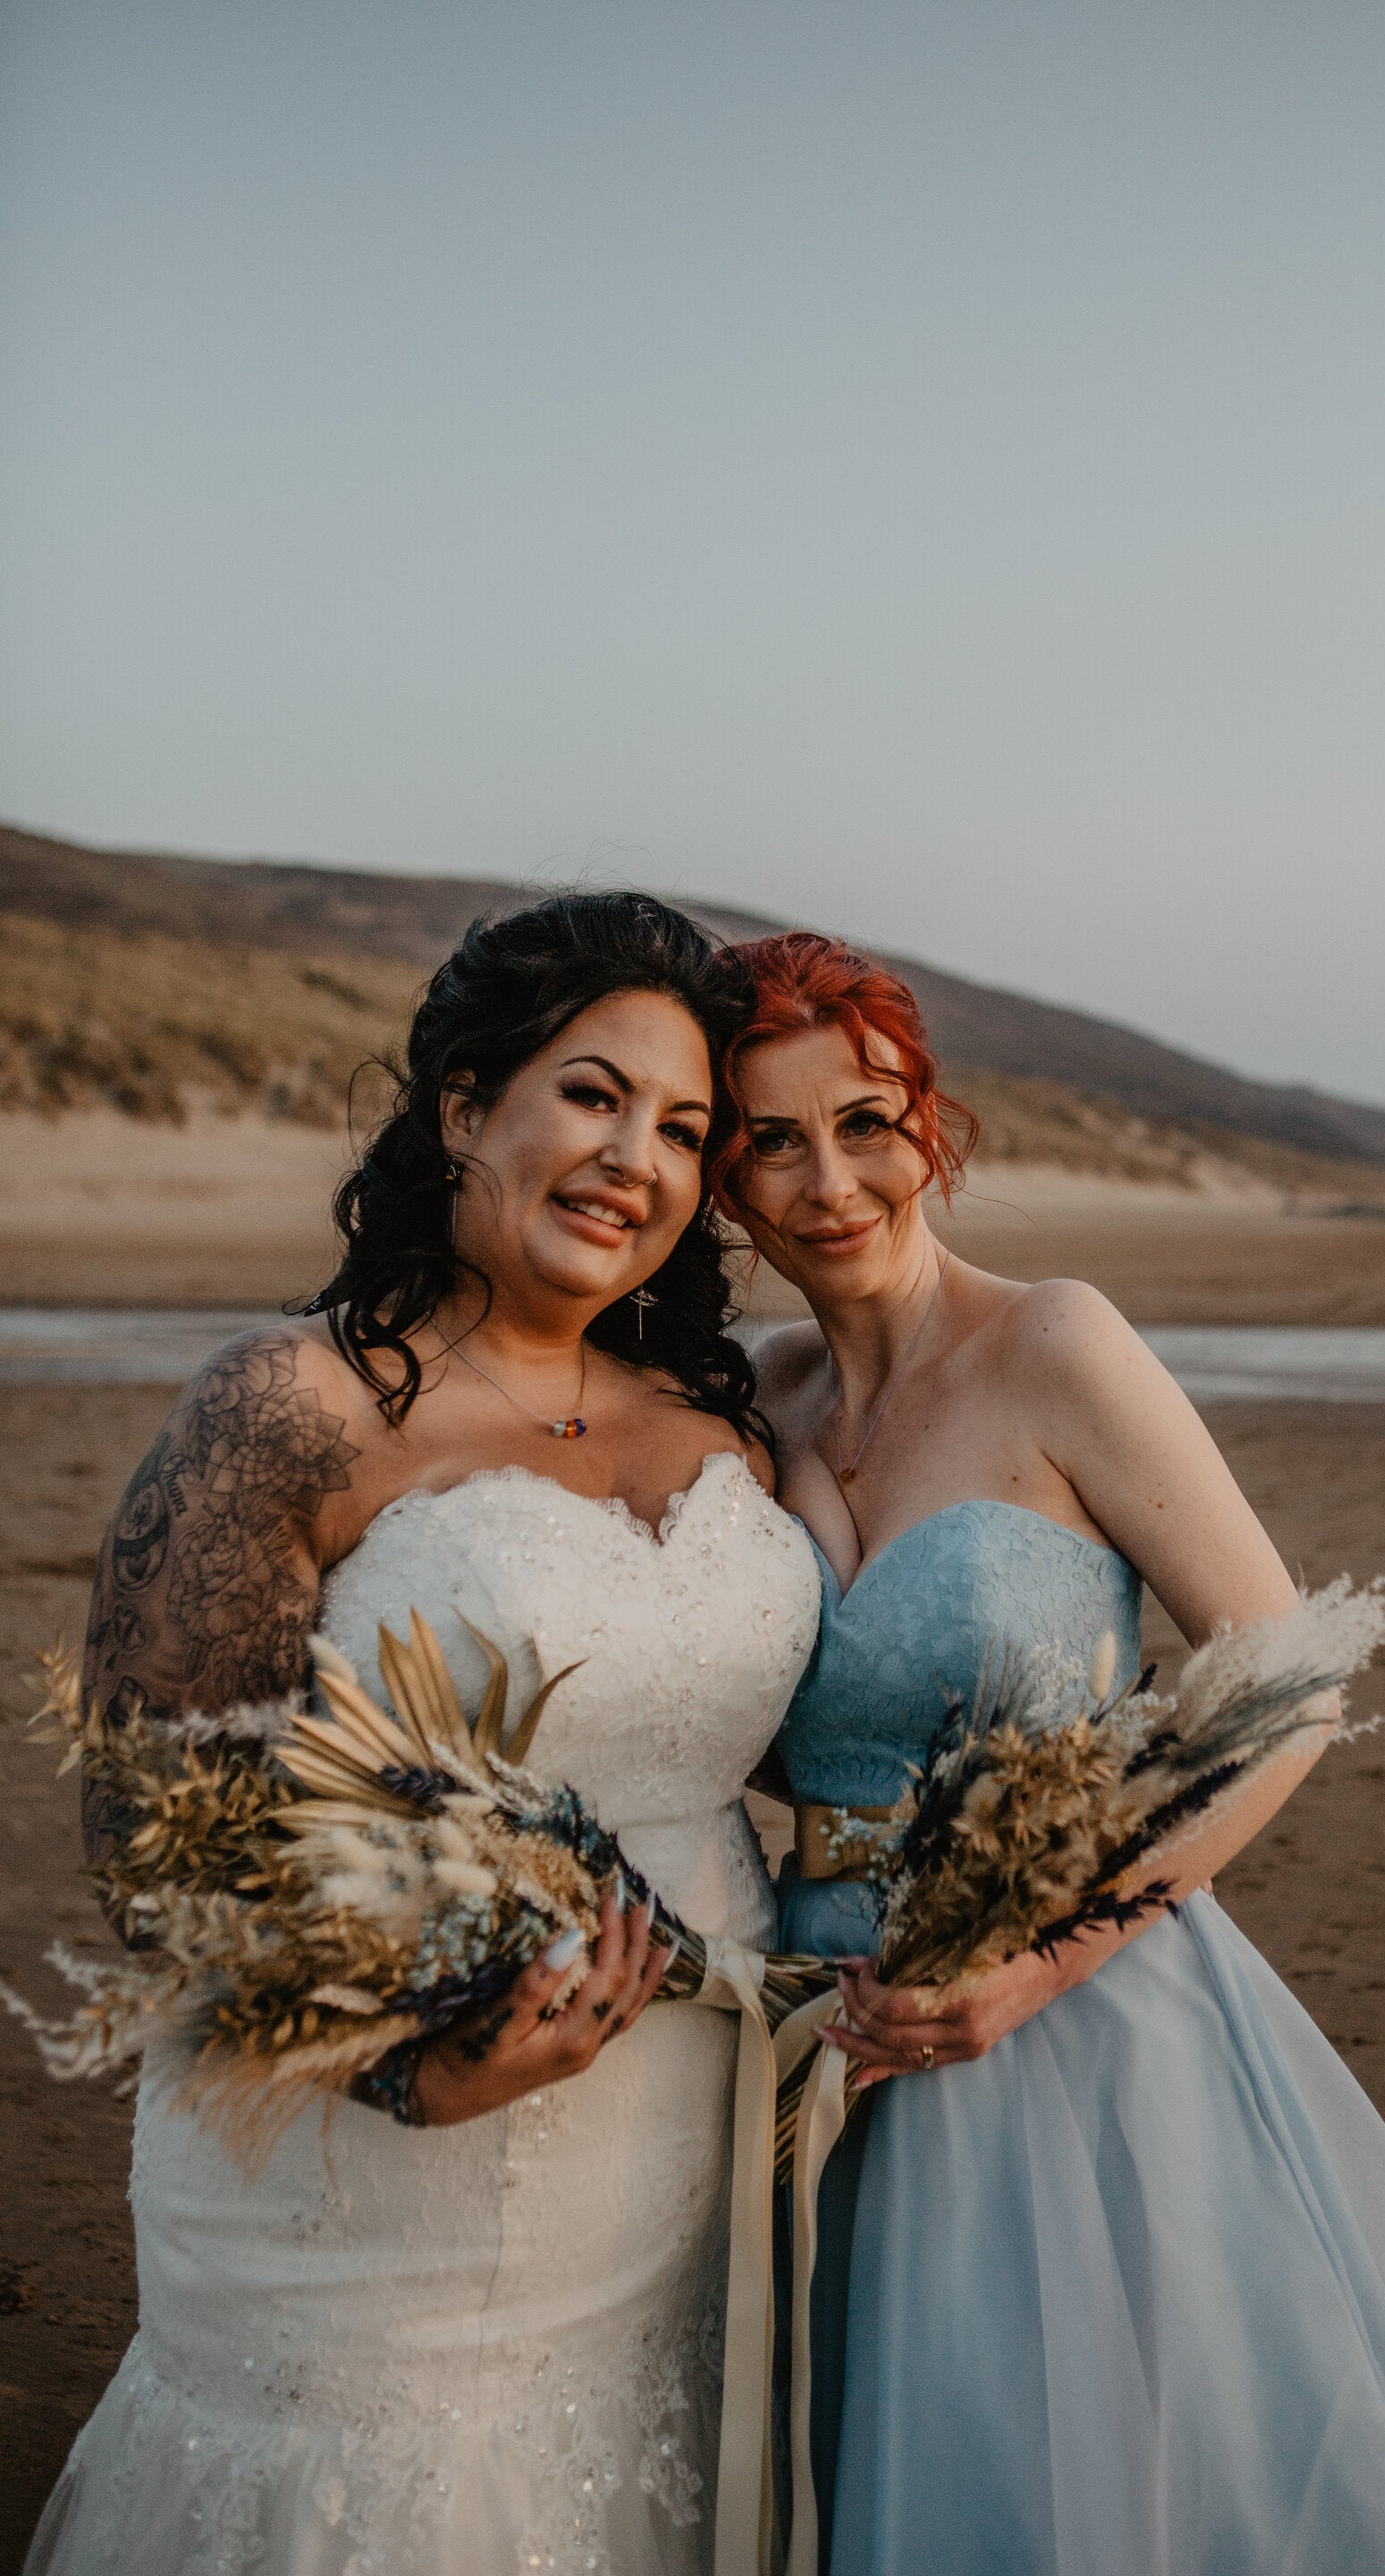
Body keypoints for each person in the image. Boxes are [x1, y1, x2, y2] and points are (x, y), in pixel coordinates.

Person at [719, 931, 1385, 2576]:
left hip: (1074, 2031)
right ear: (721, 1178)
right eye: (770, 1138)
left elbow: (1286, 1687)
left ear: (929, 1128)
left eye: (866, 1121)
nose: (830, 1180)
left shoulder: (1056, 1349)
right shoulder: (756, 1398)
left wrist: (1034, 1969)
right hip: (808, 2030)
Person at [27, 893, 821, 2576]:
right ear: (465, 1105)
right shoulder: (292, 1408)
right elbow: (160, 1855)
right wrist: (403, 2069)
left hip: (687, 2163)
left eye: (685, 1129)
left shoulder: (722, 1427)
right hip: (372, 2204)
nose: (639, 1159)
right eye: (593, 1094)